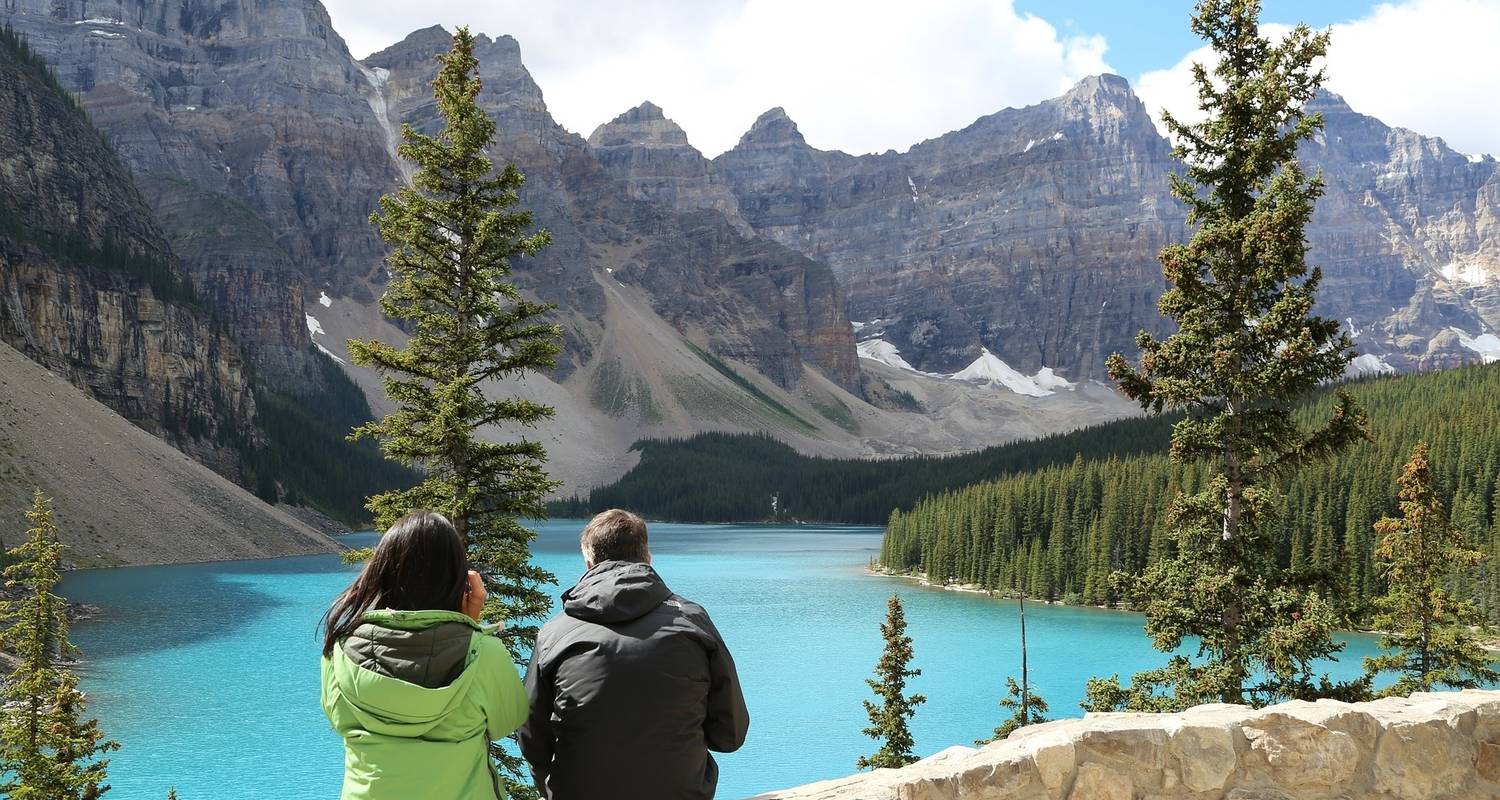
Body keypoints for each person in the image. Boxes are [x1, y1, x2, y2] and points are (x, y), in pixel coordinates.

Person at [519, 509, 750, 799]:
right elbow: (731, 734)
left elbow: (531, 739)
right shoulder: (692, 621)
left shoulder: (555, 633)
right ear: (648, 558)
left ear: (588, 564)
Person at [320, 510, 528, 800]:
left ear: (382, 573)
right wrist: (468, 627)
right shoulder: (483, 653)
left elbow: (336, 718)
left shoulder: (339, 652)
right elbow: (509, 719)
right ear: (458, 579)